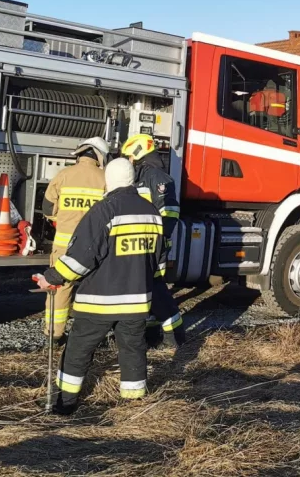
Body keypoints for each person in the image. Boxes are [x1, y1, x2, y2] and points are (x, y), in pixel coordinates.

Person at [34, 158, 165, 415]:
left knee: (78, 351)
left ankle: (65, 404)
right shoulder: (152, 213)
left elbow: (80, 260)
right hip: (137, 302)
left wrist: (52, 277)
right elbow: (158, 263)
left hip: (99, 301)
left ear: (109, 180)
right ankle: (133, 406)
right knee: (132, 351)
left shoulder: (104, 210)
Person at [40, 136, 109, 343]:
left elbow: (47, 209)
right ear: (100, 156)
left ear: (79, 154)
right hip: (95, 247)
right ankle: (91, 335)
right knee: (95, 290)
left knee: (60, 288)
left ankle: (54, 334)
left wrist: (61, 219)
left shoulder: (63, 175)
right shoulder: (105, 178)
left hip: (64, 245)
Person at [120, 134, 185, 347]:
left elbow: (169, 215)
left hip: (153, 248)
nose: (127, 161)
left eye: (129, 157)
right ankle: (150, 337)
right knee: (145, 292)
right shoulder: (140, 177)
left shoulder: (157, 178)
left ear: (137, 154)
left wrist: (157, 241)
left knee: (155, 291)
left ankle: (173, 337)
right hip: (141, 246)